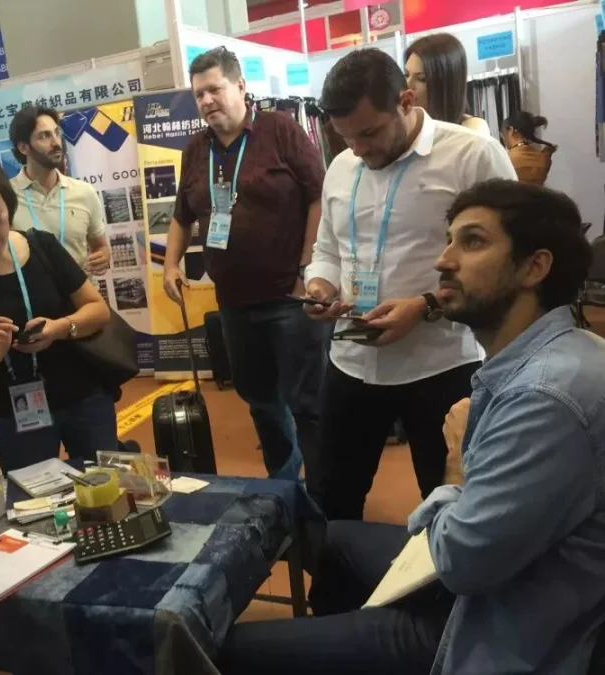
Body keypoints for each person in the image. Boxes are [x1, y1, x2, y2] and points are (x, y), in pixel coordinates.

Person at [220, 179, 604, 675]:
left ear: (536, 266)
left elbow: (460, 564)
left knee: (223, 651)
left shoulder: (545, 396)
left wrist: (457, 465)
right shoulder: (555, 353)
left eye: (472, 242)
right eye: (449, 240)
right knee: (329, 539)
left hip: (490, 623)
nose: (443, 260)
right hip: (504, 577)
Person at [303, 48, 517, 519]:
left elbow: (506, 265)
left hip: (440, 366)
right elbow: (328, 251)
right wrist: (319, 287)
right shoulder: (342, 166)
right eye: (345, 137)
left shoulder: (472, 156)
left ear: (405, 101)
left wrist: (424, 307)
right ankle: (335, 571)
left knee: (448, 505)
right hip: (351, 362)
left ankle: (440, 572)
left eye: (368, 133)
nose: (358, 149)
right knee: (333, 499)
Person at [163, 46, 326, 484]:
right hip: (234, 304)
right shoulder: (195, 151)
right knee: (262, 403)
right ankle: (284, 488)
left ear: (240, 86)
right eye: (199, 95)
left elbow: (319, 196)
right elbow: (181, 216)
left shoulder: (280, 130)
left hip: (290, 298)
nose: (206, 101)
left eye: (214, 89)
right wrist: (170, 265)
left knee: (308, 404)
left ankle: (324, 494)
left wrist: (306, 268)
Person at [0, 155, 116, 474]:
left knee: (106, 486)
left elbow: (98, 311)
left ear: (8, 204)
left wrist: (58, 328)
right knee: (33, 499)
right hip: (17, 413)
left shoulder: (42, 247)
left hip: (84, 397)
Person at [8, 106, 111, 276]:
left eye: (56, 133)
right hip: (33, 292)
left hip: (84, 291)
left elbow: (100, 246)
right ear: (24, 147)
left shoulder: (85, 192)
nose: (56, 143)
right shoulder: (6, 196)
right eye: (44, 136)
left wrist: (103, 256)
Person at [404, 34, 490, 135]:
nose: (408, 85)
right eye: (406, 75)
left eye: (422, 79)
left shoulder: (471, 131)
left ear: (445, 85)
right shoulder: (407, 125)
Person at [502, 110, 557, 185]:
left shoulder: (507, 159)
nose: (504, 139)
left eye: (503, 134)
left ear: (510, 130)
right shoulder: (544, 159)